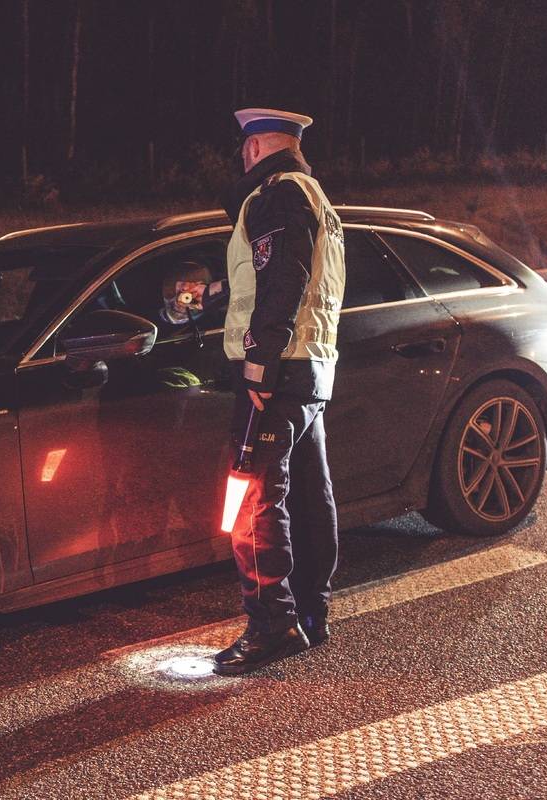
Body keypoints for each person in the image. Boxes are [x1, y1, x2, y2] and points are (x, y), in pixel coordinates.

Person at [212, 108, 346, 676]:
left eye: (244, 149)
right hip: (311, 368)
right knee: (311, 494)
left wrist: (259, 362)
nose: (241, 157)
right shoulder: (317, 198)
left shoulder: (277, 193)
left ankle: (272, 624)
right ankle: (312, 612)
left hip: (278, 370)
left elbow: (284, 276)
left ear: (256, 146)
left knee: (253, 498)